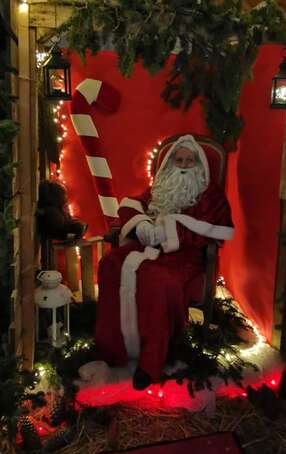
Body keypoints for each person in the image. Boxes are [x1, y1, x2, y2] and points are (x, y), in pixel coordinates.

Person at [95, 135, 233, 390]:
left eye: (189, 161)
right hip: (147, 248)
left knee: (159, 283)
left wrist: (171, 232)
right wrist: (143, 224)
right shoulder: (160, 187)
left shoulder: (210, 193)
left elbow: (214, 230)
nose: (183, 165)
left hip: (185, 256)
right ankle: (113, 348)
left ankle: (151, 363)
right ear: (169, 164)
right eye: (178, 159)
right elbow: (132, 204)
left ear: (199, 165)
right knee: (110, 263)